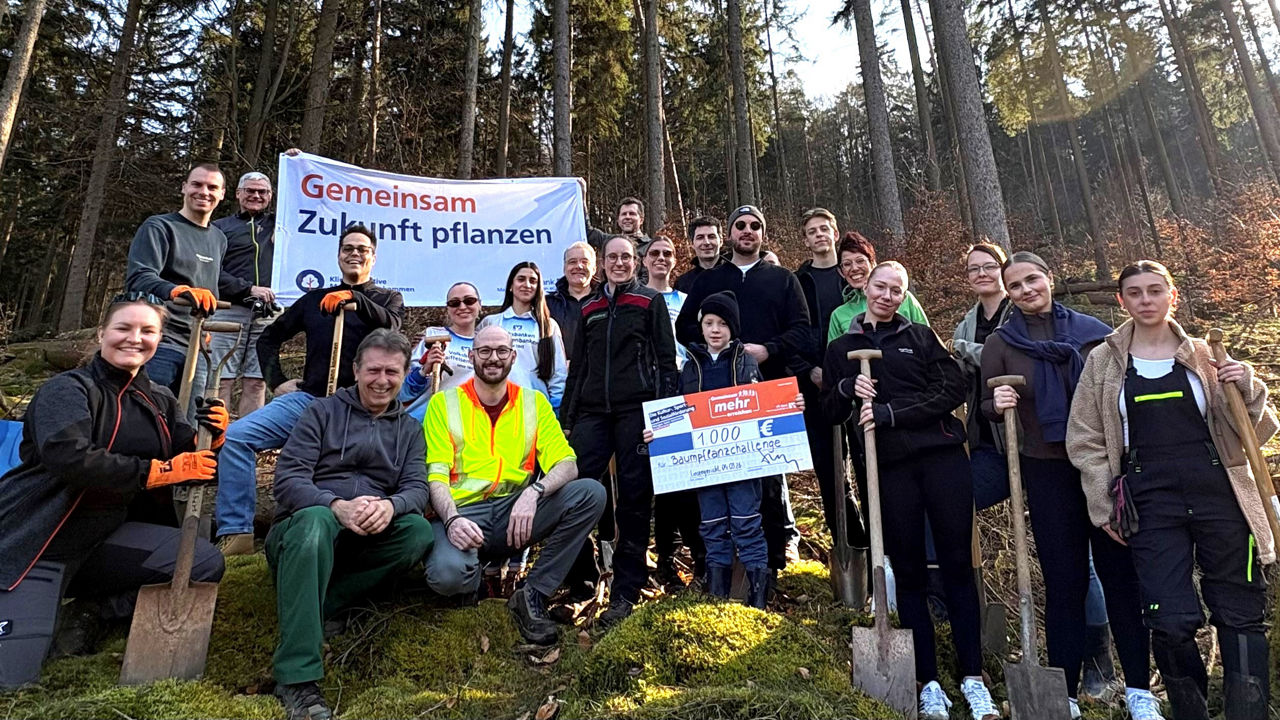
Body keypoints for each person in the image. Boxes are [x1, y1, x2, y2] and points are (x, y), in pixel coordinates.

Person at [1068, 260, 1273, 720]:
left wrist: (1249, 386)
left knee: (1240, 611)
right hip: (1149, 501)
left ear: (1171, 296)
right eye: (1135, 292)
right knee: (1170, 618)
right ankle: (1190, 712)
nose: (1145, 300)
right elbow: (1084, 439)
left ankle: (1249, 713)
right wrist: (1103, 507)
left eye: (1155, 291)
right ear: (1121, 300)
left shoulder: (1206, 356)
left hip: (1218, 493)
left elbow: (1255, 432)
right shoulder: (1103, 362)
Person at [0, 295, 227, 679]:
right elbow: (69, 456)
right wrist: (156, 471)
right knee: (11, 678)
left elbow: (189, 460)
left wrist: (211, 440)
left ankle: (93, 610)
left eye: (147, 331)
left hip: (107, 540)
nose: (134, 338)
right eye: (123, 328)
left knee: (203, 562)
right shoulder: (67, 389)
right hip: (39, 542)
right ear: (102, 333)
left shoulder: (160, 399)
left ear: (158, 340)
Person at [982, 251, 1153, 720]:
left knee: (1122, 576)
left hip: (1103, 469)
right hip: (1047, 470)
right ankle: (1067, 692)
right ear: (1009, 294)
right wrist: (996, 402)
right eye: (1014, 286)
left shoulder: (1095, 333)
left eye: (1031, 279)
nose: (1025, 290)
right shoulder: (1002, 343)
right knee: (1064, 581)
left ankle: (1138, 688)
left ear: (1049, 278)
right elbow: (984, 407)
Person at [823, 262, 998, 720]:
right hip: (890, 469)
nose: (886, 295)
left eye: (895, 290)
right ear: (865, 289)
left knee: (958, 565)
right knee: (911, 573)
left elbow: (953, 389)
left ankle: (973, 677)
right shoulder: (843, 347)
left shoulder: (920, 338)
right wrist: (845, 386)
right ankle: (929, 681)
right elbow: (830, 412)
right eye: (880, 287)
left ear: (903, 296)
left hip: (942, 461)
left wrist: (892, 413)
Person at [266, 329, 433, 720]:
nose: (382, 380)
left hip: (363, 538)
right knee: (314, 521)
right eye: (373, 370)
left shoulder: (409, 430)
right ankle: (296, 677)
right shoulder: (320, 413)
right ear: (356, 370)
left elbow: (417, 489)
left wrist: (391, 507)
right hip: (304, 531)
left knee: (418, 533)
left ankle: (322, 602)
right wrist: (334, 505)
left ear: (405, 373)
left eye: (392, 372)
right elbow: (287, 480)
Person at [213, 225, 404, 556]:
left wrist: (356, 299)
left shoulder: (387, 299)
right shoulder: (315, 300)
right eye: (348, 248)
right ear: (338, 254)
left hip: (360, 410)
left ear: (374, 256)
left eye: (362, 249)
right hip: (309, 400)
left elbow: (393, 327)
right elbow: (271, 337)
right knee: (237, 437)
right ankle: (237, 531)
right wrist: (276, 381)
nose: (354, 254)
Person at [423, 325, 605, 645]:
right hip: (462, 512)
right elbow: (435, 475)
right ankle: (473, 582)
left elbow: (567, 464)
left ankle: (532, 594)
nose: (493, 358)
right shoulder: (443, 404)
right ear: (471, 355)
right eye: (484, 351)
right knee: (446, 574)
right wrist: (451, 520)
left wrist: (535, 493)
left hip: (514, 512)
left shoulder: (533, 403)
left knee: (590, 494)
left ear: (513, 356)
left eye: (501, 351)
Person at [675, 205, 807, 577]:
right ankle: (714, 564)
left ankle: (770, 563)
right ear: (730, 234)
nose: (747, 231)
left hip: (768, 391)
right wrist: (712, 354)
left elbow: (802, 330)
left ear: (762, 234)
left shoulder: (783, 279)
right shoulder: (708, 280)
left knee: (766, 480)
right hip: (714, 397)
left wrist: (769, 350)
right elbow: (684, 329)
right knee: (716, 479)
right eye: (740, 226)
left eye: (754, 226)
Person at [563, 235, 679, 629]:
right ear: (602, 264)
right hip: (593, 414)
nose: (619, 263)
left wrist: (663, 418)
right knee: (571, 487)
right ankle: (581, 579)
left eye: (626, 257)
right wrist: (569, 419)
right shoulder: (590, 307)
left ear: (637, 261)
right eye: (612, 257)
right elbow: (578, 368)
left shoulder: (649, 301)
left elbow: (667, 362)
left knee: (633, 499)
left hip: (637, 412)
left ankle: (626, 589)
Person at [660, 290, 783, 607]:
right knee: (712, 526)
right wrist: (658, 433)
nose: (715, 330)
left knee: (746, 524)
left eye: (723, 324)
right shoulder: (690, 367)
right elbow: (678, 412)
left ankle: (757, 600)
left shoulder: (746, 364)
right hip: (706, 466)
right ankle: (717, 598)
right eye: (709, 322)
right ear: (700, 327)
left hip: (744, 466)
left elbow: (764, 407)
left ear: (733, 328)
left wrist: (789, 406)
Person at [125, 162, 246, 415]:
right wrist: (177, 291)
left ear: (223, 194)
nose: (204, 192)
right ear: (184, 188)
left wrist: (207, 328)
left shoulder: (219, 239)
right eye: (197, 184)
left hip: (199, 344)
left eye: (212, 187)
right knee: (146, 412)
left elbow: (209, 286)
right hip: (161, 340)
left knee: (191, 419)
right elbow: (139, 276)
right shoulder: (160, 227)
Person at [792, 208, 866, 554]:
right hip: (817, 388)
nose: (819, 235)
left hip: (863, 387)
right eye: (812, 231)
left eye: (824, 228)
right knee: (830, 470)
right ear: (805, 239)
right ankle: (849, 546)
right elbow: (791, 333)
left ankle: (882, 553)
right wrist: (809, 370)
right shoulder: (797, 282)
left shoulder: (855, 275)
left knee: (868, 466)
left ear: (834, 233)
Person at [644, 235, 704, 589]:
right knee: (661, 481)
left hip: (687, 390)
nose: (662, 259)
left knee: (689, 478)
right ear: (644, 260)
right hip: (651, 392)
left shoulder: (686, 300)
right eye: (655, 253)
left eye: (668, 253)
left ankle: (698, 555)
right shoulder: (638, 298)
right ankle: (663, 559)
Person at [210, 171, 279, 418]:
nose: (256, 196)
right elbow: (210, 271)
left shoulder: (281, 224)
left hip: (268, 314)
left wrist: (298, 162)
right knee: (221, 380)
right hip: (228, 310)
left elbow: (313, 205)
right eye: (250, 190)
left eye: (262, 192)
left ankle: (246, 442)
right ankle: (213, 441)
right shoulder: (219, 228)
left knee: (257, 381)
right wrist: (248, 289)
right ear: (238, 194)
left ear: (270, 196)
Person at [478, 262, 568, 414]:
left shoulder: (548, 326)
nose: (527, 285)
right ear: (511, 286)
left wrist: (556, 410)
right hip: (493, 407)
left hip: (534, 409)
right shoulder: (491, 322)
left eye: (533, 281)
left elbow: (558, 373)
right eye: (521, 279)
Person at [400, 281, 484, 422]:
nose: (462, 307)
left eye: (469, 301)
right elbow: (403, 392)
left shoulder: (487, 344)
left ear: (479, 305)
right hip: (421, 423)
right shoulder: (432, 336)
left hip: (464, 427)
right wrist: (424, 371)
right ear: (447, 309)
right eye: (454, 303)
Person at [826, 231, 928, 344]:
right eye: (847, 264)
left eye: (860, 261)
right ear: (841, 272)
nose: (854, 268)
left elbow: (927, 340)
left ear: (873, 263)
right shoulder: (839, 315)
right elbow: (835, 357)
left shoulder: (905, 299)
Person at [545, 242, 598, 358]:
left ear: (594, 269)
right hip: (558, 374)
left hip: (597, 374)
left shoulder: (606, 301)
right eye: (572, 262)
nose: (578, 266)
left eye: (585, 262)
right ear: (564, 268)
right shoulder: (547, 304)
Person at [674, 216, 726, 294]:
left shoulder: (736, 276)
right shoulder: (683, 283)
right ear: (692, 243)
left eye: (711, 237)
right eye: (700, 237)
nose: (706, 242)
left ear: (721, 241)